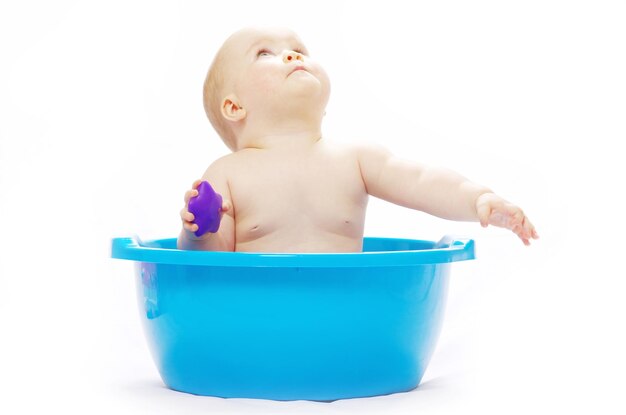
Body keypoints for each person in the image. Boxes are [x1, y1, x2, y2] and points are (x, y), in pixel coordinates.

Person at [178, 27, 538, 253]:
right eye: (264, 54)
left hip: (346, 316)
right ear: (233, 106)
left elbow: (421, 181)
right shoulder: (226, 174)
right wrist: (199, 232)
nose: (293, 54)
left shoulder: (354, 160)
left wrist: (477, 198)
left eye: (299, 49)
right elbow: (209, 266)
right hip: (258, 317)